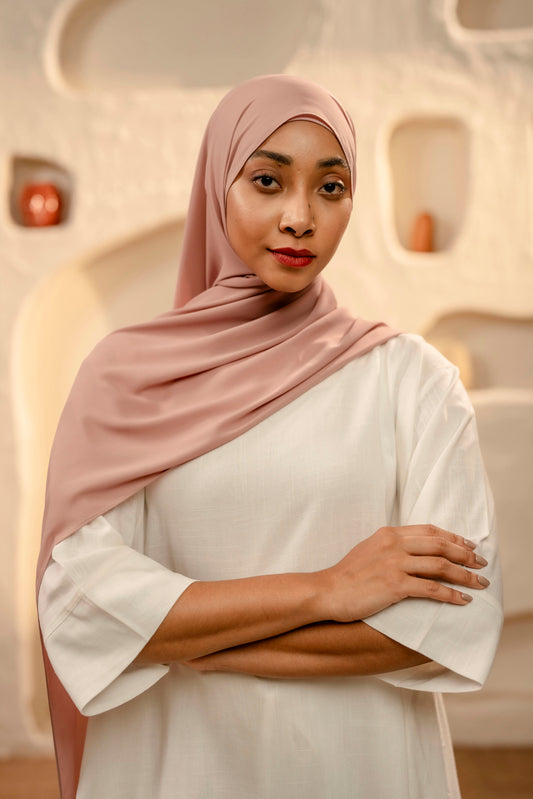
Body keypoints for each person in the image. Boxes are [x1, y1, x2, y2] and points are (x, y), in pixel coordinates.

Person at [36, 75, 502, 799]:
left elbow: (446, 619)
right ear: (216, 187)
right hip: (176, 772)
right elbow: (81, 601)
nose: (298, 217)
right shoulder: (126, 381)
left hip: (357, 769)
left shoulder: (413, 383)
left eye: (330, 187)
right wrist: (328, 589)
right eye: (266, 180)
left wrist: (186, 638)